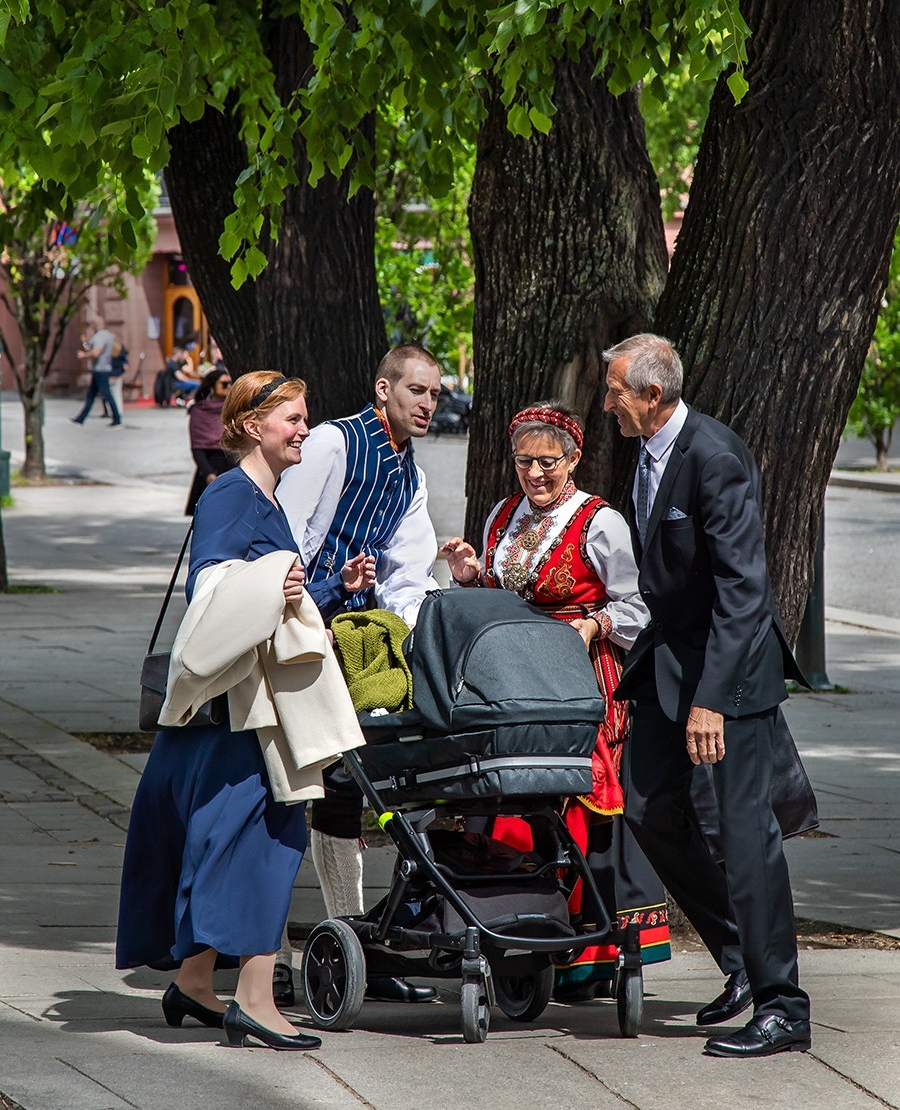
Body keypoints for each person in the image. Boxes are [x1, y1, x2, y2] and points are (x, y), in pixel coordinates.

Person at [116, 370, 375, 1051]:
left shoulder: (262, 495)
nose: (304, 429)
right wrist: (276, 581)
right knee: (269, 841)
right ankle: (255, 998)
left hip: (238, 715)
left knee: (242, 844)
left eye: (306, 416)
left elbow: (265, 591)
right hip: (237, 722)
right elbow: (214, 591)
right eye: (292, 417)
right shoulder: (233, 493)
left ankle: (198, 982)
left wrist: (325, 586)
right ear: (252, 424)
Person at [602, 333, 811, 1058]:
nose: (609, 404)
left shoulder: (715, 456)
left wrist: (712, 699)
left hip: (732, 672)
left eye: (616, 392)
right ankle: (740, 961)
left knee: (747, 833)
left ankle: (783, 1004)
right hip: (674, 660)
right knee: (650, 807)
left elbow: (744, 590)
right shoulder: (648, 448)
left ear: (652, 396)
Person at [441, 401, 670, 1000]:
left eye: (548, 462)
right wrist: (471, 577)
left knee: (576, 800)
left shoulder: (600, 522)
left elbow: (640, 606)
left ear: (574, 459)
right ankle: (514, 932)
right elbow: (498, 595)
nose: (536, 474)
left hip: (579, 681)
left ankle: (586, 954)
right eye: (524, 462)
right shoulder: (502, 515)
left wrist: (593, 626)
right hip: (514, 679)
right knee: (510, 792)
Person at [276, 343, 443, 1005]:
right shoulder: (332, 443)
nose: (428, 403)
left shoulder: (410, 473)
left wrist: (415, 639)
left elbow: (407, 570)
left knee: (350, 784)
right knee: (292, 787)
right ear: (384, 388)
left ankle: (353, 944)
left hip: (354, 643)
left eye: (434, 393)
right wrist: (310, 598)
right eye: (417, 390)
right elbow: (284, 532)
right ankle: (272, 955)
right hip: (294, 628)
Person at [185, 368, 235, 515]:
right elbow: (197, 447)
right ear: (212, 386)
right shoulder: (199, 410)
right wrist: (208, 474)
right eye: (224, 384)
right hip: (212, 468)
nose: (229, 387)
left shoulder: (235, 409)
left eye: (231, 383)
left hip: (235, 467)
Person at [71, 321, 122, 427]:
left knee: (107, 395)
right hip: (102, 369)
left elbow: (95, 353)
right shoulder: (108, 335)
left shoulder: (99, 336)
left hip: (100, 370)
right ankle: (80, 419)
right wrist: (84, 343)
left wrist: (83, 355)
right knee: (91, 396)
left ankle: (117, 418)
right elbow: (92, 349)